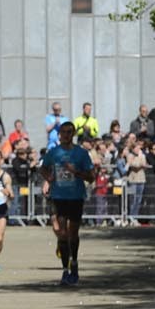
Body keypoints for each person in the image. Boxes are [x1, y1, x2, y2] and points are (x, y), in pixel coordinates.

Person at [42, 121, 94, 285]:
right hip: (59, 197)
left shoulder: (81, 153)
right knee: (62, 234)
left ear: (73, 134)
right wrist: (49, 178)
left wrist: (76, 172)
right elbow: (43, 167)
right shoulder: (54, 152)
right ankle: (65, 270)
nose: (66, 135)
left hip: (76, 197)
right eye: (63, 132)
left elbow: (91, 177)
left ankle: (75, 263)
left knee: (73, 234)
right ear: (59, 135)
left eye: (69, 132)